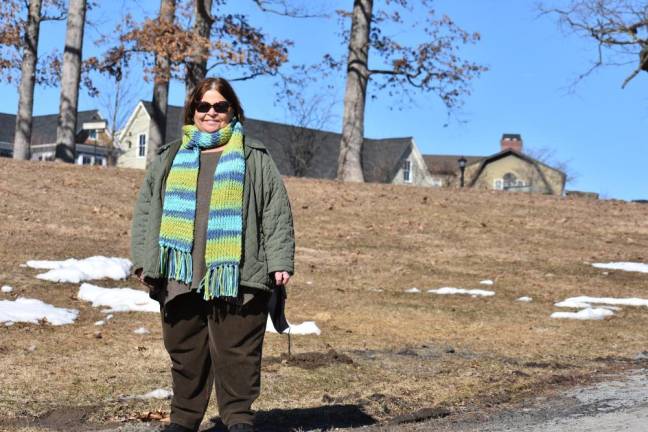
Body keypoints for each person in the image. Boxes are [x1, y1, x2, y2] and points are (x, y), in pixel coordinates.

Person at [130, 77, 295, 432]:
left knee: (238, 351)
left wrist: (280, 261)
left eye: (220, 106)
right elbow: (147, 210)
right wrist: (144, 260)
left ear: (232, 110)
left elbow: (275, 210)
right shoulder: (170, 156)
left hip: (237, 269)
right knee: (185, 349)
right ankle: (184, 421)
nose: (211, 113)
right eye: (204, 106)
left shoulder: (254, 156)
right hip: (180, 271)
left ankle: (238, 420)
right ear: (193, 111)